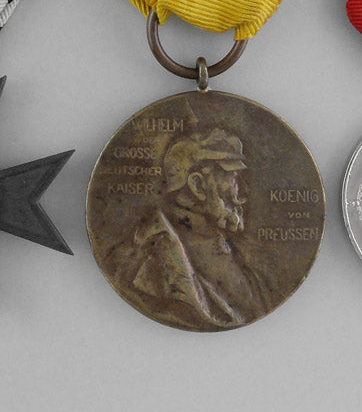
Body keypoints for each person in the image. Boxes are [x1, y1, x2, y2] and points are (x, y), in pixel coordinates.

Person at [108, 128, 279, 330]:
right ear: (197, 185)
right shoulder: (150, 256)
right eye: (233, 178)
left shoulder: (228, 247)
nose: (243, 192)